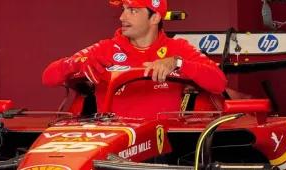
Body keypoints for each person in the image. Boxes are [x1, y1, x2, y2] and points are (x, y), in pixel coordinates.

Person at [42, 0, 227, 119]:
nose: (122, 17)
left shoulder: (178, 48)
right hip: (112, 147)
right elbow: (48, 77)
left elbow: (219, 83)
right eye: (123, 10)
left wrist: (178, 63)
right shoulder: (105, 48)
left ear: (154, 17)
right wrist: (77, 63)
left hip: (161, 151)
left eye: (132, 10)